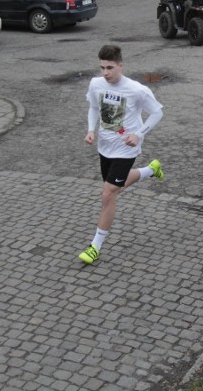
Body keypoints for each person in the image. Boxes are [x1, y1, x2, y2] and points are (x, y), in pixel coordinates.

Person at [78, 45, 165, 264]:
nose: (105, 73)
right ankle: (150, 170)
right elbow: (94, 108)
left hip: (126, 148)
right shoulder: (96, 84)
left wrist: (139, 134)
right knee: (115, 187)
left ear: (120, 66)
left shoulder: (136, 89)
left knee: (108, 194)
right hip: (104, 147)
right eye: (102, 68)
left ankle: (95, 246)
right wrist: (91, 130)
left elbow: (157, 112)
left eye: (110, 68)